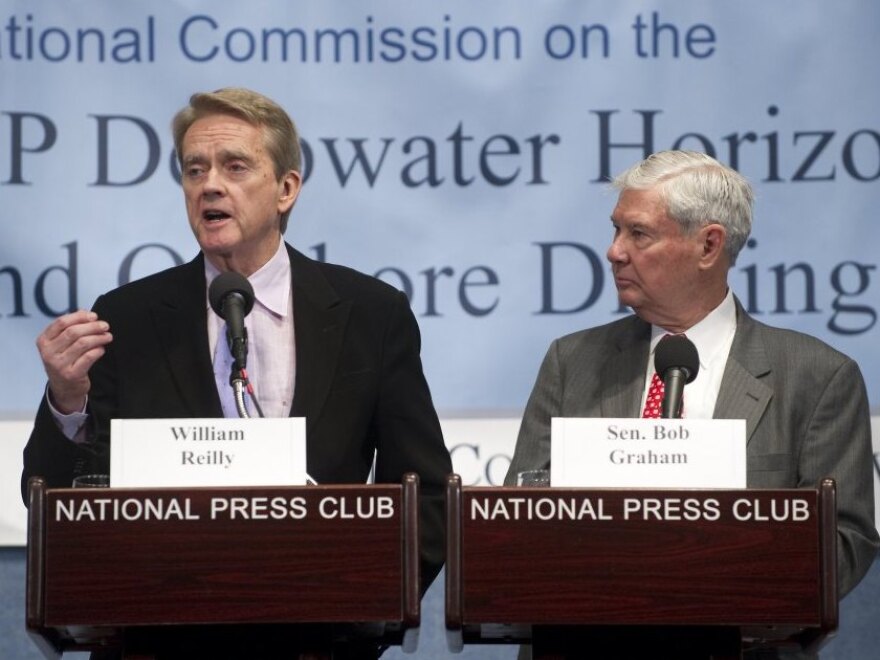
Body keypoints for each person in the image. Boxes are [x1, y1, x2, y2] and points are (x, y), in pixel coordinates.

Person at [22, 87, 452, 652]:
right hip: (161, 639)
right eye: (194, 169)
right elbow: (54, 500)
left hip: (319, 640)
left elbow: (426, 493)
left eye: (235, 166)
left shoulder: (370, 314)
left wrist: (365, 605)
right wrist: (68, 400)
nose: (209, 185)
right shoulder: (127, 317)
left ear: (286, 189)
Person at [505, 150, 878, 657]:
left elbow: (844, 542)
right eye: (616, 230)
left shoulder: (817, 377)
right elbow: (518, 522)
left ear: (708, 245)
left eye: (638, 234)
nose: (614, 252)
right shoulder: (572, 361)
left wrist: (706, 582)